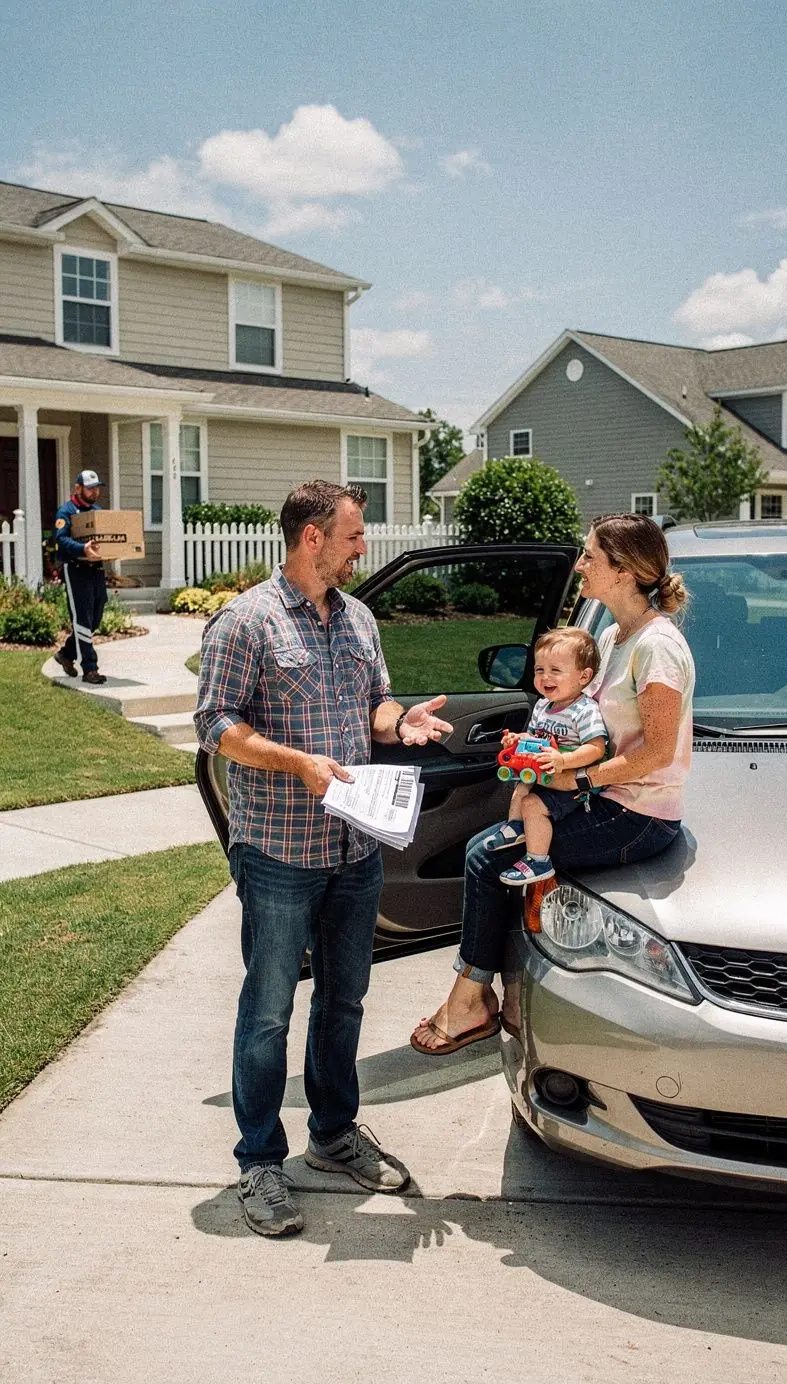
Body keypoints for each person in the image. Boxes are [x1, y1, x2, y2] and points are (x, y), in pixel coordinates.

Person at [194, 479, 453, 1238]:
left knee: (344, 1001)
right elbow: (216, 725)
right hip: (279, 849)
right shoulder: (247, 621)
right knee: (268, 1011)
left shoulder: (359, 618)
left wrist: (400, 722)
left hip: (354, 845)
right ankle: (259, 1160)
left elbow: (373, 703)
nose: (361, 547)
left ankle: (333, 1134)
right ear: (313, 537)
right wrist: (297, 763)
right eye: (353, 535)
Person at [411, 512, 694, 1056]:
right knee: (494, 854)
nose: (580, 564)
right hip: (605, 798)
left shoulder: (656, 646)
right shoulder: (612, 636)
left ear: (624, 570)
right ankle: (508, 998)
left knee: (486, 857)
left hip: (640, 815)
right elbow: (584, 719)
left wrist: (573, 775)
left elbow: (658, 753)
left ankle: (473, 1002)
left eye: (590, 556)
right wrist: (540, 749)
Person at [486, 627, 608, 888]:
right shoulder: (543, 706)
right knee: (521, 788)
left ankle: (538, 861)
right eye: (539, 670)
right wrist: (518, 740)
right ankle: (515, 827)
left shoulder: (584, 710)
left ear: (583, 676)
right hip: (543, 773)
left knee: (532, 805)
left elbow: (596, 748)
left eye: (555, 670)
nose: (545, 677)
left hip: (571, 784)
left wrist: (563, 760)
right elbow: (534, 737)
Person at [53, 470, 108, 685]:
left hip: (96, 569)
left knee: (95, 617)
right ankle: (90, 668)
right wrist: (82, 548)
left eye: (97, 488)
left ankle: (66, 653)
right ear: (78, 488)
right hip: (76, 569)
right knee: (83, 619)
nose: (95, 492)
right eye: (90, 488)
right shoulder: (66, 511)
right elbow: (61, 539)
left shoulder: (97, 511)